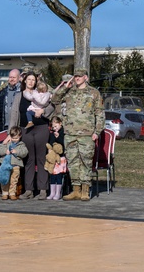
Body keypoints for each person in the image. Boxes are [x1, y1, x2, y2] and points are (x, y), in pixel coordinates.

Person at [50, 69, 103, 201]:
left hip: (87, 133)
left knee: (86, 161)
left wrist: (97, 132)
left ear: (85, 77)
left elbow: (100, 113)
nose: (77, 78)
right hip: (70, 132)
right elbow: (54, 100)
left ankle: (85, 190)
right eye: (76, 76)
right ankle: (76, 190)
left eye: (80, 76)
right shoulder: (69, 91)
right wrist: (64, 88)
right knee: (73, 162)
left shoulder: (93, 93)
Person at [20, 74, 51, 198]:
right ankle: (29, 190)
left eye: (33, 79)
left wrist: (43, 111)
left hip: (41, 127)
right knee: (29, 159)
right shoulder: (20, 95)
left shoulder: (42, 92)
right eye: (29, 79)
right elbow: (14, 113)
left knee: (41, 158)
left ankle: (43, 189)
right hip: (25, 129)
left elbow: (52, 105)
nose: (31, 82)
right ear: (24, 81)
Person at [0, 126, 28, 199]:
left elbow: (25, 152)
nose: (14, 140)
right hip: (5, 165)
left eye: (16, 138)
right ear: (10, 136)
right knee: (5, 179)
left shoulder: (21, 144)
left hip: (16, 165)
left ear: (20, 136)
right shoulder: (7, 143)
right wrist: (5, 151)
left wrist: (16, 152)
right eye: (13, 138)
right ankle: (4, 193)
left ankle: (12, 193)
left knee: (14, 180)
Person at [46, 116, 67, 200]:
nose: (55, 128)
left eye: (56, 126)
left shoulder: (63, 133)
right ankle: (52, 193)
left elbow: (63, 144)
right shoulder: (52, 133)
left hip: (60, 158)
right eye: (53, 127)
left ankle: (58, 193)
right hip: (53, 158)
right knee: (52, 175)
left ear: (60, 124)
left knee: (59, 176)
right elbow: (50, 143)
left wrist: (58, 137)